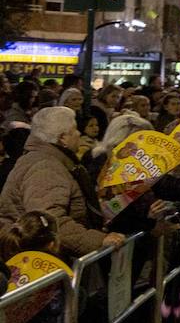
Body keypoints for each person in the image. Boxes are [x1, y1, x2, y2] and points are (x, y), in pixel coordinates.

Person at [0, 106, 124, 258]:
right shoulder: (46, 168)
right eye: (75, 129)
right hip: (40, 259)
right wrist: (97, 240)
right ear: (63, 138)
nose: (79, 134)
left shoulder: (47, 160)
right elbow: (50, 221)